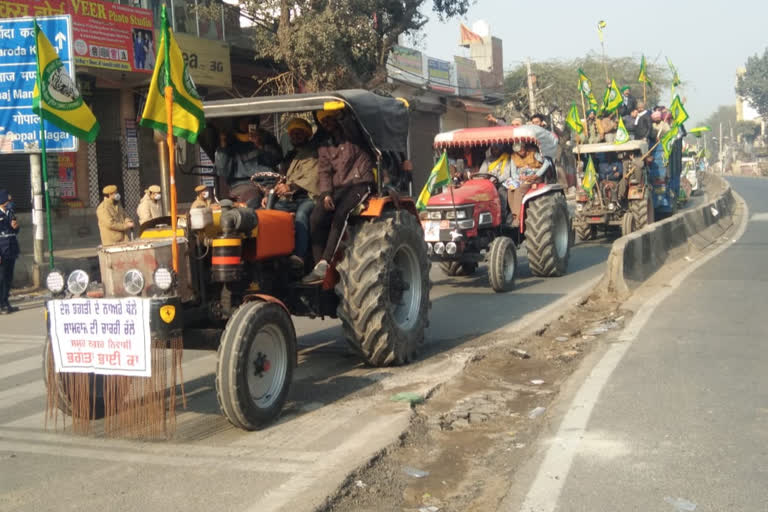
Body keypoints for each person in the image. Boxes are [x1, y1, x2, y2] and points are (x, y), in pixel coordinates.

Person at [305, 109, 374, 283]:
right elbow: (324, 171)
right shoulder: (324, 145)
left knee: (340, 214)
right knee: (315, 217)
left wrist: (341, 115)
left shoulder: (353, 136)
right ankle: (317, 267)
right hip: (338, 187)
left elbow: (350, 126)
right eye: (324, 121)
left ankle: (326, 261)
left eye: (330, 119)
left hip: (360, 182)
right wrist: (327, 193)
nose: (327, 123)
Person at [266, 117, 319, 268]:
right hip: (289, 200)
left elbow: (313, 178)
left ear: (307, 135)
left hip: (308, 197)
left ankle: (299, 256)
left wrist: (292, 187)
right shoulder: (289, 156)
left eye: (299, 134)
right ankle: (275, 252)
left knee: (302, 215)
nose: (296, 137)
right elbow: (283, 178)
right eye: (293, 134)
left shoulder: (314, 154)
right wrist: (270, 194)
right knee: (269, 213)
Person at [214, 116, 283, 207]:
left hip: (269, 181)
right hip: (243, 183)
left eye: (250, 120)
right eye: (244, 120)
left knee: (280, 200)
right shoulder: (229, 140)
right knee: (253, 200)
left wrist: (260, 145)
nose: (247, 123)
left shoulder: (265, 136)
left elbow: (277, 159)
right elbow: (223, 171)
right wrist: (223, 146)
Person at [507, 141, 553, 226]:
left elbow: (546, 163)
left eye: (522, 150)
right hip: (522, 178)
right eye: (519, 152)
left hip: (534, 177)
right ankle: (514, 215)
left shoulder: (533, 152)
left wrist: (536, 175)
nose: (521, 152)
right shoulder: (514, 157)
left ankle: (517, 218)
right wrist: (519, 177)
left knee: (519, 190)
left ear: (524, 147)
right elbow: (513, 173)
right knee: (510, 190)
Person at [478, 143, 517, 222]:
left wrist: (496, 180)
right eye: (492, 148)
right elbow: (481, 172)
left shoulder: (507, 159)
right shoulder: (488, 160)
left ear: (501, 149)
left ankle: (502, 215)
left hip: (501, 182)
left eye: (496, 148)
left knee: (501, 191)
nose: (493, 150)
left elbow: (506, 175)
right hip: (488, 183)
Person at [0, 189, 19, 314]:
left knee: (8, 278)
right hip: (2, 250)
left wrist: (16, 227)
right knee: (1, 278)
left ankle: (6, 302)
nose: (10, 203)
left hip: (11, 249)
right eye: (8, 200)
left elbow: (15, 231)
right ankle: (1, 305)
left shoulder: (10, 213)